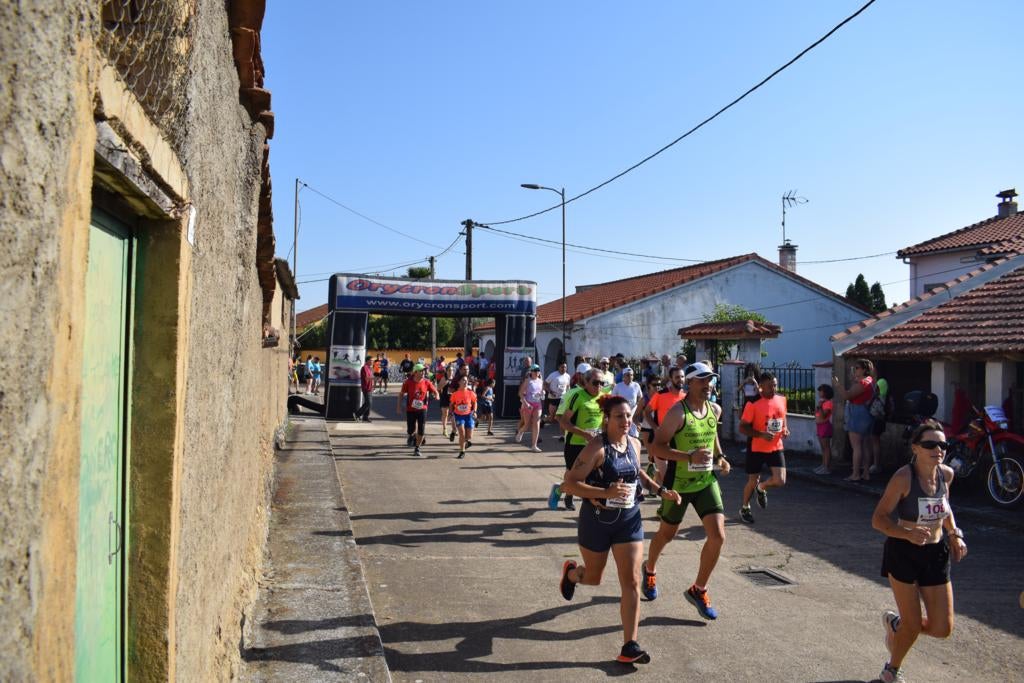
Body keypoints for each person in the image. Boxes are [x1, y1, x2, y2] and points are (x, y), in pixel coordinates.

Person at [558, 394, 682, 665]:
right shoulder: (595, 448)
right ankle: (571, 574)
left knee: (632, 581)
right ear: (606, 419)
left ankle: (629, 645)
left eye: (628, 416)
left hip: (629, 520)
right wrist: (606, 491)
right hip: (597, 521)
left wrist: (661, 490)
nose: (626, 421)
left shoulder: (635, 443)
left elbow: (638, 473)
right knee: (593, 577)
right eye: (619, 416)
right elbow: (568, 484)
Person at [871, 419, 966, 683]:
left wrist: (954, 533)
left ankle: (896, 626)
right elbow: (878, 519)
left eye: (943, 444)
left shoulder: (946, 474)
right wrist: (907, 533)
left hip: (936, 553)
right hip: (903, 552)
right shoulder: (904, 477)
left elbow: (944, 508)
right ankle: (891, 670)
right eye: (930, 444)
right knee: (914, 624)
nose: (938, 449)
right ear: (916, 448)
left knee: (942, 628)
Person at [642, 362, 730, 619]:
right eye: (702, 380)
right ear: (689, 383)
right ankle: (649, 569)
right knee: (666, 534)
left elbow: (712, 433)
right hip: (678, 484)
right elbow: (656, 448)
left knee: (718, 536)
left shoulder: (714, 408)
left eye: (710, 380)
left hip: (706, 482)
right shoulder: (676, 414)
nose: (707, 385)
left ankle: (698, 589)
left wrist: (721, 457)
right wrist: (687, 455)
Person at [738, 370, 789, 524]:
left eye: (774, 385)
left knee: (780, 481)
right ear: (760, 387)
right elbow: (743, 428)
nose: (773, 389)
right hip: (756, 446)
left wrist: (785, 428)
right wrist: (760, 435)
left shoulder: (781, 399)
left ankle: (762, 488)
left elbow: (783, 416)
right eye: (769, 386)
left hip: (775, 446)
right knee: (752, 481)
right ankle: (745, 508)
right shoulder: (752, 403)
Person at [555, 367, 605, 510]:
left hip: (595, 444)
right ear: (586, 382)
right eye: (595, 383)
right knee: (574, 477)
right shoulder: (577, 396)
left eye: (602, 383)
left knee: (593, 477)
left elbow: (604, 420)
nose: (599, 386)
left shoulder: (603, 397)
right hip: (575, 443)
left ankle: (590, 507)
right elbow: (564, 422)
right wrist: (585, 434)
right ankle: (563, 492)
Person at [832, 358, 877, 481]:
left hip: (858, 413)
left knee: (856, 446)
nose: (854, 370)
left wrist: (838, 385)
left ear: (864, 369)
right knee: (866, 445)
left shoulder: (863, 383)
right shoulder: (870, 381)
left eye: (857, 368)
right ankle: (865, 473)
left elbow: (847, 395)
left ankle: (855, 474)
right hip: (866, 413)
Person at [397, 364, 439, 457]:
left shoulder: (426, 382)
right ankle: (412, 435)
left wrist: (437, 395)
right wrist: (399, 407)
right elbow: (401, 394)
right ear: (415, 372)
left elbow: (435, 391)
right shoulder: (408, 382)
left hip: (422, 409)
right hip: (410, 409)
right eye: (421, 371)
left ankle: (417, 448)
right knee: (410, 430)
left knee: (421, 428)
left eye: (424, 371)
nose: (424, 372)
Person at [517, 364, 545, 452]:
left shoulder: (540, 381)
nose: (537, 372)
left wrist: (542, 393)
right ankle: (520, 431)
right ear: (531, 372)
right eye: (535, 370)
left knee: (536, 424)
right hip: (528, 405)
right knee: (527, 425)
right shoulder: (527, 381)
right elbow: (520, 394)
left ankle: (534, 445)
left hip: (538, 404)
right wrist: (526, 404)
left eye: (538, 370)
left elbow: (541, 392)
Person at [449, 375, 478, 458]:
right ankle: (462, 451)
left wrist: (475, 411)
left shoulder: (471, 393)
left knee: (469, 436)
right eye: (463, 380)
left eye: (466, 380)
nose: (465, 382)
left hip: (468, 415)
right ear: (459, 382)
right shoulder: (455, 394)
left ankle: (465, 443)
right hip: (459, 415)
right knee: (462, 433)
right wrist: (451, 413)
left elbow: (475, 402)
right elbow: (451, 404)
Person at [612, 368, 642, 437]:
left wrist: (637, 407)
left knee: (634, 435)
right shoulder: (618, 386)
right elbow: (613, 398)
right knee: (623, 433)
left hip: (634, 413)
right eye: (628, 375)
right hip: (621, 413)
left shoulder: (636, 385)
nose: (630, 377)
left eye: (631, 375)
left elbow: (640, 397)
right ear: (623, 376)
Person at [870, 375, 891, 475]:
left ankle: (876, 464)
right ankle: (876, 464)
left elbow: (873, 411)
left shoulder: (878, 399)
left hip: (876, 421)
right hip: (882, 421)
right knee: (877, 443)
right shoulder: (888, 398)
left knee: (875, 444)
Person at [814, 384, 834, 474]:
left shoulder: (828, 403)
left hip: (825, 426)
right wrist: (819, 406)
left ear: (825, 392)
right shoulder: (822, 402)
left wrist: (820, 406)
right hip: (820, 426)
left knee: (826, 447)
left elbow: (824, 415)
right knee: (823, 448)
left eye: (821, 391)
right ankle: (823, 465)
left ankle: (826, 467)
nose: (819, 392)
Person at [544, 362, 571, 428]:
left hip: (563, 398)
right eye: (562, 367)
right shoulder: (553, 375)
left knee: (561, 414)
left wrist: (568, 394)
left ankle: (562, 427)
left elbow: (568, 386)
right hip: (553, 397)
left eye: (565, 367)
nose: (564, 369)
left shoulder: (567, 376)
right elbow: (545, 384)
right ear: (558, 367)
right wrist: (550, 391)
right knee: (552, 417)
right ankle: (543, 420)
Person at [354, 357, 374, 422]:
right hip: (366, 388)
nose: (372, 362)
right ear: (367, 361)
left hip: (370, 387)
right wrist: (373, 378)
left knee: (369, 403)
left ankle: (365, 417)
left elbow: (370, 378)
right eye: (371, 360)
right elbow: (366, 378)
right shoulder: (364, 368)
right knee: (368, 402)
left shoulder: (369, 368)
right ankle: (357, 414)